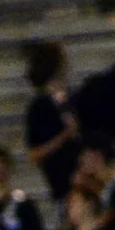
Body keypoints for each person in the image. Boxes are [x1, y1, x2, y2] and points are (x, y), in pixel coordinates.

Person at [23, 41, 82, 202]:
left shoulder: (74, 99)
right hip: (62, 185)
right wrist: (65, 135)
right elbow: (35, 153)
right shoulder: (39, 107)